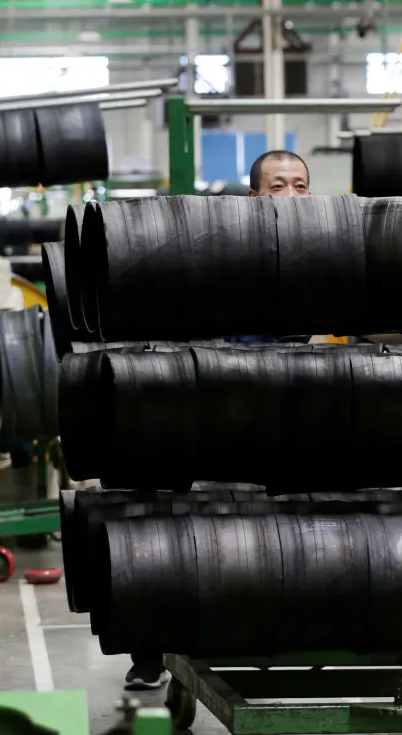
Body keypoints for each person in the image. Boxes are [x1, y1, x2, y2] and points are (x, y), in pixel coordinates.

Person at [122, 150, 313, 691]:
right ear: (255, 197)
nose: (292, 197)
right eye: (279, 186)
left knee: (271, 538)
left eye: (301, 186)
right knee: (175, 531)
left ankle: (261, 638)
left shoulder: (318, 254)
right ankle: (151, 654)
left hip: (278, 412)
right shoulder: (221, 247)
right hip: (207, 405)